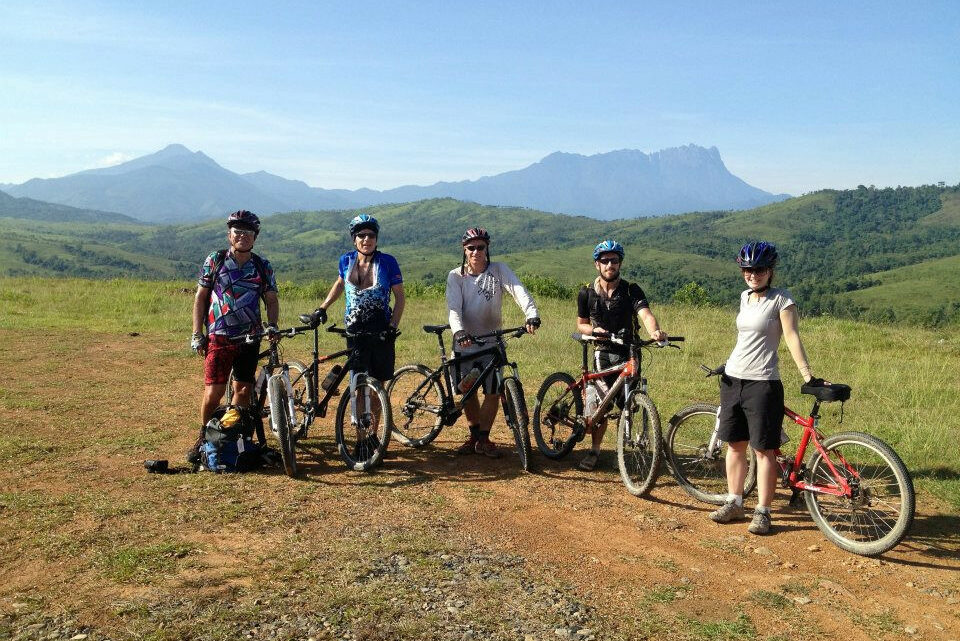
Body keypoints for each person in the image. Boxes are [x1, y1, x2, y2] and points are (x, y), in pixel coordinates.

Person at [709, 241, 829, 535]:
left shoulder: (782, 301)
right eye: (747, 270)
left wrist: (807, 375)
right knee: (735, 446)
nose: (753, 275)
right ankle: (734, 502)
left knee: (764, 451)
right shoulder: (744, 297)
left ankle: (763, 511)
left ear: (770, 271)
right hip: (733, 380)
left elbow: (791, 337)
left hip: (763, 383)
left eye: (759, 269)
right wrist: (727, 363)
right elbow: (745, 339)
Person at [310, 214, 404, 451]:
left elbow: (400, 298)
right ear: (354, 240)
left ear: (376, 239)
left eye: (371, 235)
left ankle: (373, 435)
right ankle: (361, 438)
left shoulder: (388, 262)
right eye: (361, 235)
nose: (366, 239)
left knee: (378, 386)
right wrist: (322, 307)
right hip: (354, 330)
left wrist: (392, 326)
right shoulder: (346, 261)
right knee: (359, 384)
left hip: (381, 331)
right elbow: (340, 284)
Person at [190, 210, 279, 459]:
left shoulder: (262, 266)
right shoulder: (216, 260)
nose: (242, 236)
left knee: (243, 390)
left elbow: (271, 300)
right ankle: (203, 439)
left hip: (250, 336)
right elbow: (201, 297)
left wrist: (272, 325)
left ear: (255, 237)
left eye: (248, 233)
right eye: (238, 232)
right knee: (214, 392)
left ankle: (236, 436)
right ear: (229, 235)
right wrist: (198, 333)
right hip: (219, 335)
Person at [446, 227, 541, 458]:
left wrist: (531, 314)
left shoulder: (499, 270)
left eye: (480, 247)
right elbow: (453, 309)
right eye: (471, 248)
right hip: (465, 344)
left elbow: (519, 290)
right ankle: (473, 434)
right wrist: (459, 332)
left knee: (492, 391)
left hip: (491, 342)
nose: (476, 252)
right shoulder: (456, 276)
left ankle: (483, 438)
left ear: (487, 248)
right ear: (464, 250)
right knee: (466, 391)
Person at [575, 240, 668, 471]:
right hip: (602, 353)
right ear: (597, 264)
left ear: (620, 263)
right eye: (605, 261)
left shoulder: (630, 290)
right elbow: (581, 325)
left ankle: (622, 450)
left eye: (614, 260)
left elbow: (645, 314)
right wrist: (594, 331)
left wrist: (655, 331)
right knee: (601, 406)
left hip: (629, 352)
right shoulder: (586, 292)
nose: (610, 265)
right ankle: (595, 451)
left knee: (627, 403)